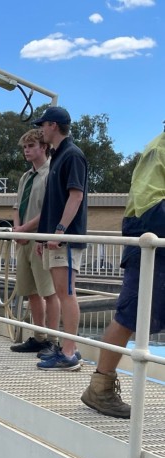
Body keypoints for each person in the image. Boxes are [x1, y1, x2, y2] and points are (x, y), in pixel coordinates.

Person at [81, 132, 165, 418]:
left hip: (156, 241)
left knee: (132, 313)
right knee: (130, 313)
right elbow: (148, 205)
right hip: (150, 243)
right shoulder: (159, 149)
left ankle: (101, 387)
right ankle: (100, 387)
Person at [34, 106, 88, 371]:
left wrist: (59, 231)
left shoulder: (72, 155)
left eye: (43, 125)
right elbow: (52, 202)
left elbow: (75, 196)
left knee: (66, 293)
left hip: (65, 239)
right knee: (62, 291)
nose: (40, 129)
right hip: (55, 238)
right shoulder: (59, 156)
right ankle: (67, 349)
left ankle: (69, 353)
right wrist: (42, 237)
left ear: (53, 125)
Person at [9, 129, 61, 353]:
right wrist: (17, 230)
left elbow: (50, 210)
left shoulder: (51, 174)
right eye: (24, 148)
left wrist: (24, 229)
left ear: (43, 147)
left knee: (48, 292)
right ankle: (38, 337)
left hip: (41, 240)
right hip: (25, 241)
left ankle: (53, 340)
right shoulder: (25, 177)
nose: (26, 151)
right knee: (31, 290)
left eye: (31, 146)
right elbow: (17, 205)